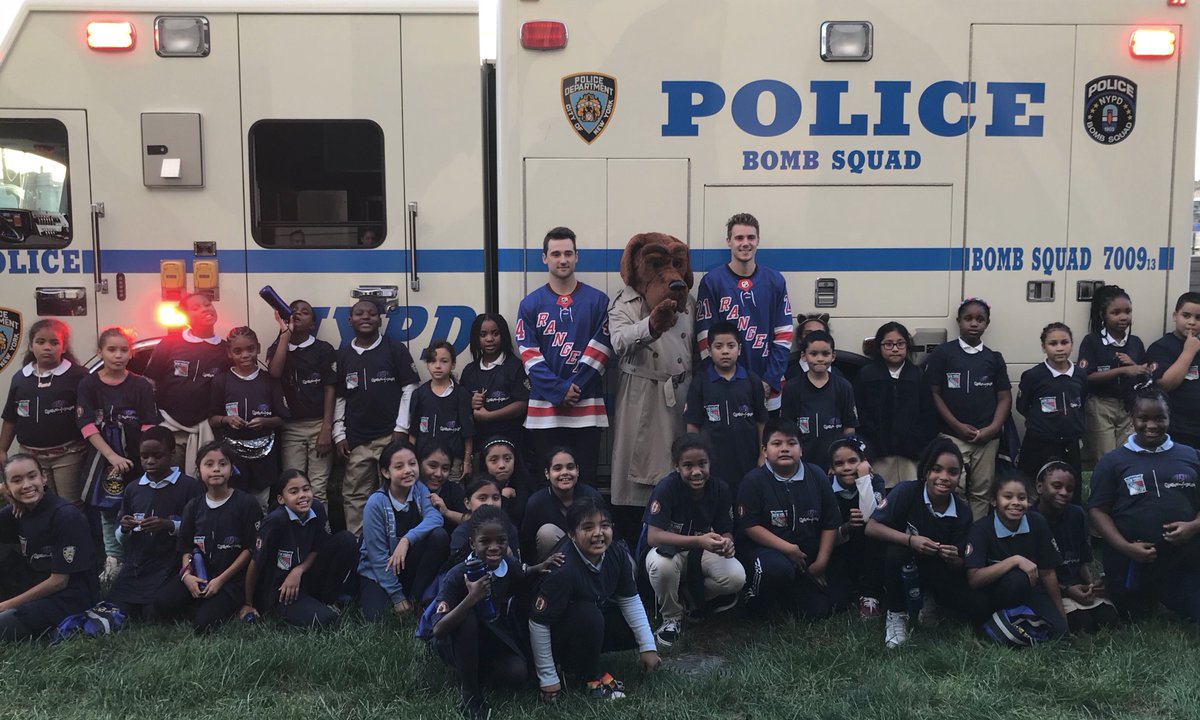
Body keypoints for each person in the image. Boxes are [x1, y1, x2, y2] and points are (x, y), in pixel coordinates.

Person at [431, 505, 561, 719]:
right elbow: (438, 630)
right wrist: (471, 598)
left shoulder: (506, 564)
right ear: (472, 543)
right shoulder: (457, 575)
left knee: (518, 674)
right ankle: (470, 695)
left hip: (492, 640)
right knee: (468, 619)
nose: (494, 547)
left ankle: (478, 671)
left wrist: (540, 566)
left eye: (501, 540)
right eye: (485, 541)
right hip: (458, 641)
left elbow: (523, 572)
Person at [529, 496, 660, 702]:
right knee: (589, 616)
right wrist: (547, 678)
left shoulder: (617, 553)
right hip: (556, 631)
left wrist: (648, 647)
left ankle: (578, 661)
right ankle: (588, 676)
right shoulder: (563, 569)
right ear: (572, 534)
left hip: (587, 621)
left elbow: (630, 599)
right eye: (588, 527)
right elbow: (538, 623)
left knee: (627, 626)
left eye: (604, 526)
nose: (598, 533)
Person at [1087, 387, 1200, 622]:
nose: (1151, 425)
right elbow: (1098, 510)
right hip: (1134, 557)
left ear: (1169, 417)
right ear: (1132, 417)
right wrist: (1126, 547)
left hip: (1185, 554)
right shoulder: (1112, 462)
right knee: (1132, 616)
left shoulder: (1191, 456)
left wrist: (1193, 526)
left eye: (1160, 418)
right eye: (1143, 418)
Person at [515, 227, 613, 487]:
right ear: (544, 258)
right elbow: (529, 356)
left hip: (587, 410)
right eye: (556, 254)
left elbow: (602, 349)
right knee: (547, 484)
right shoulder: (530, 304)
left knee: (585, 483)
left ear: (576, 256)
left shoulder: (598, 301)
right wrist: (559, 390)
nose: (563, 260)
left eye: (568, 253)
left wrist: (574, 388)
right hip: (544, 413)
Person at [607, 231, 695, 507]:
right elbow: (618, 342)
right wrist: (651, 326)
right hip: (642, 393)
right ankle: (635, 522)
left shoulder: (688, 301)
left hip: (681, 393)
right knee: (639, 475)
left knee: (680, 467)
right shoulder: (625, 302)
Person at [866, 438, 975, 648]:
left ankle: (930, 600)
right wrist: (910, 540)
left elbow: (962, 563)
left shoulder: (963, 512)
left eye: (952, 472)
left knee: (966, 597)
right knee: (895, 552)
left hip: (935, 567)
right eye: (937, 469)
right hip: (902, 562)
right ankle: (896, 614)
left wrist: (952, 557)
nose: (944, 477)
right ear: (925, 471)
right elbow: (872, 527)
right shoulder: (907, 491)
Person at [641, 434, 744, 647]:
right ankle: (671, 617)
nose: (696, 472)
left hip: (701, 550)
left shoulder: (720, 488)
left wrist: (727, 542)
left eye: (702, 464)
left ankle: (689, 599)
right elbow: (654, 536)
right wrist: (698, 541)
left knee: (736, 577)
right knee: (662, 566)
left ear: (710, 464)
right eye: (688, 465)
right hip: (668, 550)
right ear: (677, 467)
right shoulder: (666, 487)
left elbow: (726, 529)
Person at [153, 441, 263, 634]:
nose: (216, 469)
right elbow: (185, 547)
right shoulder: (193, 506)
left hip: (231, 580)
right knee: (160, 605)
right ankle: (201, 602)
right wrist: (187, 576)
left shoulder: (246, 503)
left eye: (223, 464)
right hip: (199, 575)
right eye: (209, 464)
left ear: (231, 469)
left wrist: (220, 580)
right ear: (199, 471)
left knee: (203, 625)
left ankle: (223, 605)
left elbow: (250, 549)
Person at [77, 327, 160, 582]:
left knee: (138, 505)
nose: (118, 355)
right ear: (99, 352)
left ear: (131, 353)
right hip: (103, 456)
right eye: (111, 349)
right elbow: (86, 424)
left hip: (135, 456)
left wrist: (144, 458)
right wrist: (111, 456)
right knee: (107, 508)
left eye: (124, 350)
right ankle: (113, 559)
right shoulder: (88, 384)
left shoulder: (140, 384)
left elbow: (148, 423)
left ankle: (138, 558)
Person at [332, 299, 420, 536]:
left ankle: (394, 541)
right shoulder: (343, 355)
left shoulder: (395, 349)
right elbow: (339, 398)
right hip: (356, 441)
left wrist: (401, 428)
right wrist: (338, 434)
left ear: (380, 320)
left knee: (396, 491)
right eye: (359, 313)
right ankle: (357, 545)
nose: (365, 317)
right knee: (354, 494)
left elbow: (410, 388)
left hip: (389, 437)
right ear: (350, 321)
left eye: (371, 313)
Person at [737, 418, 840, 620]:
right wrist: (788, 549)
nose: (784, 449)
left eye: (791, 443)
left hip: (805, 556)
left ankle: (784, 599)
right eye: (776, 444)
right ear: (765, 450)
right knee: (776, 570)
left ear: (801, 449)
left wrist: (821, 562)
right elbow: (749, 525)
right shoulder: (753, 480)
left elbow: (830, 522)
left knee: (820, 609)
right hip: (767, 552)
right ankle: (754, 604)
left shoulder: (816, 475)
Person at [695, 213, 793, 412]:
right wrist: (722, 380)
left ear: (758, 240)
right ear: (728, 241)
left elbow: (784, 335)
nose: (745, 243)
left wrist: (769, 380)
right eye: (739, 238)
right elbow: (705, 339)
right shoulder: (712, 282)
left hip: (767, 385)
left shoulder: (775, 281)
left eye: (751, 237)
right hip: (725, 386)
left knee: (766, 432)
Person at [925, 298, 1012, 519]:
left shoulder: (993, 358)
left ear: (987, 324)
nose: (974, 323)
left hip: (987, 439)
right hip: (952, 435)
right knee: (954, 486)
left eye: (980, 319)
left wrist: (992, 429)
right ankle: (956, 529)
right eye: (968, 318)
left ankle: (977, 533)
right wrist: (957, 426)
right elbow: (934, 393)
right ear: (958, 321)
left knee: (982, 490)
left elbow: (1004, 397)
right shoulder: (943, 354)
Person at [239, 470, 357, 628]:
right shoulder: (275, 521)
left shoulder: (316, 508)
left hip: (305, 577)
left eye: (306, 489)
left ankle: (327, 600)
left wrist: (298, 570)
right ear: (281, 499)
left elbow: (318, 548)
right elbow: (256, 563)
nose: (302, 495)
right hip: (283, 590)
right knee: (328, 621)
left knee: (347, 540)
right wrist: (248, 603)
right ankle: (281, 609)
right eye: (294, 492)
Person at [107, 427, 204, 618]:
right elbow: (120, 534)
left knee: (154, 611)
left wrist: (168, 525)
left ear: (172, 453)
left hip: (172, 562)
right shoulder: (133, 489)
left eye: (157, 456)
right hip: (139, 563)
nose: (150, 461)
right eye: (144, 456)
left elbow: (199, 528)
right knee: (118, 608)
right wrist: (125, 528)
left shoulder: (189, 486)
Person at [0, 454, 99, 641]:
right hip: (33, 583)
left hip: (68, 596)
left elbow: (59, 582)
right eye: (17, 480)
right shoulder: (18, 510)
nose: (26, 485)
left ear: (43, 477)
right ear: (7, 486)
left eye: (32, 476)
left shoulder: (66, 516)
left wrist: (6, 606)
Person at [963, 473, 1068, 640]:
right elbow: (974, 579)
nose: (1016, 503)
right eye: (1007, 497)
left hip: (1030, 592)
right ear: (994, 500)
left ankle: (1018, 623)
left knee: (1059, 631)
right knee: (1016, 578)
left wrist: (1061, 615)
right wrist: (1015, 560)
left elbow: (1047, 571)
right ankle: (998, 623)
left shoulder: (1037, 522)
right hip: (992, 595)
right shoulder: (981, 529)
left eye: (1022, 498)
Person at [357, 439, 449, 619]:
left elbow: (436, 518)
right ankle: (396, 596)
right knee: (376, 617)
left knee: (439, 536)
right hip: (380, 568)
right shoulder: (375, 503)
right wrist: (397, 596)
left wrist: (406, 540)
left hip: (407, 563)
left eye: (412, 464)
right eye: (399, 466)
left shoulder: (420, 489)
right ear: (386, 472)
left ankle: (415, 599)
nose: (408, 470)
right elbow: (377, 557)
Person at [0, 319, 88, 504]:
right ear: (31, 346)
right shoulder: (21, 378)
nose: (47, 347)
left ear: (64, 347)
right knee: (38, 503)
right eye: (40, 342)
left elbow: (88, 415)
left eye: (54, 342)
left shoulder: (78, 376)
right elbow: (10, 418)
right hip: (31, 457)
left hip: (68, 455)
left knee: (70, 504)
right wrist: (2, 449)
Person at [143, 293, 229, 471]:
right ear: (185, 316)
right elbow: (149, 383)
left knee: (205, 480)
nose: (205, 309)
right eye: (196, 308)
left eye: (207, 304)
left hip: (206, 432)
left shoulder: (225, 349)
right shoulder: (169, 343)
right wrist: (154, 419)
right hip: (171, 429)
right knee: (172, 481)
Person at [684, 320, 766, 499]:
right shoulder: (700, 382)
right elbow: (692, 426)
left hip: (747, 459)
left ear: (740, 349)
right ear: (709, 351)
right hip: (713, 462)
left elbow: (761, 422)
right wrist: (696, 460)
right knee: (716, 502)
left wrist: (762, 454)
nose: (725, 351)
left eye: (731, 346)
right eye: (718, 346)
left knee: (746, 502)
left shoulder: (751, 380)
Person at [1034, 460, 1118, 633]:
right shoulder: (1031, 520)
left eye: (1070, 489)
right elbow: (1036, 575)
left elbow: (1080, 560)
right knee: (1081, 623)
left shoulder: (1077, 514)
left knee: (1108, 618)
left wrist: (1091, 585)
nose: (1064, 493)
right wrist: (1067, 590)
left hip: (1074, 585)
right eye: (1057, 486)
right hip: (1045, 589)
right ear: (1040, 487)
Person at [209, 327, 289, 508]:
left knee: (260, 504)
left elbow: (282, 418)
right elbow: (212, 418)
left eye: (250, 349)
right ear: (229, 353)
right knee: (234, 504)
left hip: (264, 457)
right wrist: (226, 420)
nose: (245, 355)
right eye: (237, 351)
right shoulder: (221, 381)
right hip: (233, 457)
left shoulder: (269, 380)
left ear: (258, 348)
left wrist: (265, 422)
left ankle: (260, 527)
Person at [267, 300, 337, 505]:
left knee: (318, 488)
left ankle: (320, 526)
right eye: (293, 311)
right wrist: (285, 335)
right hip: (291, 428)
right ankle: (296, 525)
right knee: (293, 486)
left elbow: (330, 389)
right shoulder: (278, 347)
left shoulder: (323, 349)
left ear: (313, 324)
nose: (297, 314)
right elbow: (275, 372)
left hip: (318, 425)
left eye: (304, 312)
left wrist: (327, 427)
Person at [852, 322, 935, 486]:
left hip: (911, 456)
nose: (895, 349)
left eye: (900, 344)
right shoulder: (867, 376)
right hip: (878, 456)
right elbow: (861, 414)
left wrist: (915, 443)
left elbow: (928, 415)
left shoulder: (918, 376)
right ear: (879, 347)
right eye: (888, 344)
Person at [1077, 285, 1149, 464]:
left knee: (1129, 458)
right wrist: (1123, 370)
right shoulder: (1092, 341)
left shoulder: (1135, 342)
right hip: (1101, 406)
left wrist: (1134, 365)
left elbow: (1146, 375)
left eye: (1127, 311)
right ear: (1103, 315)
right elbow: (1086, 376)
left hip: (1129, 407)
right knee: (1106, 460)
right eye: (1115, 312)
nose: (1123, 317)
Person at [1015, 323, 1087, 501]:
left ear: (1072, 344)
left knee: (1070, 493)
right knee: (1031, 491)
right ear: (1043, 347)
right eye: (1053, 343)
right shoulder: (1033, 376)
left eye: (1065, 342)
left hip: (1070, 445)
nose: (1060, 348)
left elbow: (1082, 401)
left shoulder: (1080, 375)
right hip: (1039, 444)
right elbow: (1022, 406)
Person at [780, 330, 858, 472]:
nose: (820, 359)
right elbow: (787, 429)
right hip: (803, 461)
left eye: (825, 354)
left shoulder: (843, 387)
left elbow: (849, 427)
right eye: (814, 354)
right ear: (804, 356)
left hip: (835, 463)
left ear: (833, 356)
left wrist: (843, 459)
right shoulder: (792, 387)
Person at [826, 436, 886, 618]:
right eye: (839, 463)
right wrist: (847, 526)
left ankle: (870, 593)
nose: (846, 468)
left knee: (870, 532)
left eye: (853, 461)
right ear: (831, 468)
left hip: (869, 546)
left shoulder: (875, 481)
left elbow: (870, 516)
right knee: (838, 602)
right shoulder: (826, 487)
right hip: (837, 547)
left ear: (863, 462)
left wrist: (864, 479)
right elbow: (825, 533)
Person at [459, 313, 529, 464]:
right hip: (480, 445)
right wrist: (471, 403)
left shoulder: (515, 366)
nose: (489, 339)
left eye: (495, 333)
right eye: (483, 334)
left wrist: (490, 416)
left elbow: (523, 403)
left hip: (513, 442)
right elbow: (460, 407)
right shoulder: (469, 371)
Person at [520, 447, 601, 562]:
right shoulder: (536, 502)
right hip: (554, 562)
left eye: (570, 467)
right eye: (557, 468)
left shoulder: (591, 496)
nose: (565, 473)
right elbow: (528, 545)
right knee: (547, 532)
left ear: (577, 470)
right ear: (547, 473)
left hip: (588, 557)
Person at [409, 341, 474, 483]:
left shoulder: (461, 394)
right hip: (424, 462)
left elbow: (468, 433)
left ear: (453, 364)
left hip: (453, 462)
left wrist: (466, 462)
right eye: (433, 361)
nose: (438, 366)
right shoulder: (419, 395)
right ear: (427, 364)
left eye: (444, 361)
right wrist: (412, 462)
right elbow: (413, 434)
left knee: (453, 494)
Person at [1147, 292, 1200, 449]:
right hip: (1177, 431)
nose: (1192, 322)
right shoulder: (1161, 347)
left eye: (1198, 318)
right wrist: (1189, 352)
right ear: (1175, 316)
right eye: (1186, 315)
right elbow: (1165, 385)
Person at [447, 475, 522, 564]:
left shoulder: (509, 528)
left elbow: (518, 566)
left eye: (495, 498)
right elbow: (456, 567)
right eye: (482, 498)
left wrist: (510, 557)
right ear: (467, 503)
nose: (490, 503)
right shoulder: (461, 533)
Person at [479, 435, 530, 527]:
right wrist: (504, 498)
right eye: (494, 460)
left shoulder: (526, 485)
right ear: (485, 463)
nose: (502, 465)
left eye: (507, 459)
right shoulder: (478, 490)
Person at [421, 442, 467, 530]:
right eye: (433, 466)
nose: (438, 474)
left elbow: (474, 521)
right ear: (419, 464)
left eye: (445, 468)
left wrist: (447, 512)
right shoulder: (409, 489)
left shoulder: (453, 490)